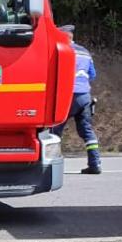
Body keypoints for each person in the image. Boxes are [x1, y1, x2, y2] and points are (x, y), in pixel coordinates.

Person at [53, 25, 101, 174]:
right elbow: (92, 75)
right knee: (87, 131)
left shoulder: (60, 50)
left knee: (54, 132)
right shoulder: (85, 52)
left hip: (66, 96)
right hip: (84, 97)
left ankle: (52, 167)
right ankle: (95, 164)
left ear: (63, 36)